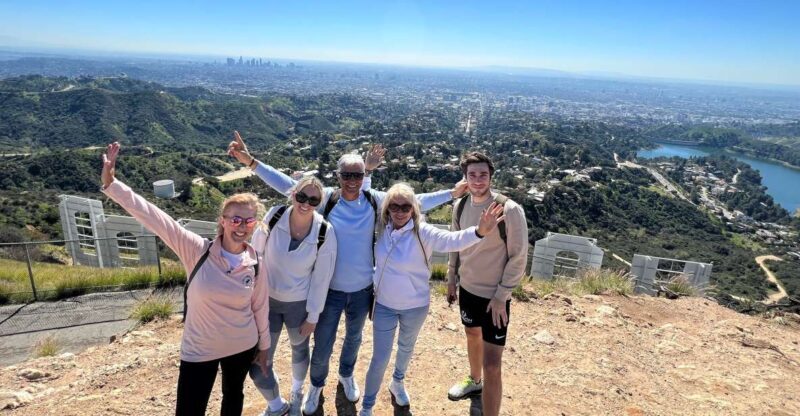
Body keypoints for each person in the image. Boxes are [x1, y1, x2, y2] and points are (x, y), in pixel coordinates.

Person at [227, 131, 467, 415]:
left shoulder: (374, 201)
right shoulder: (326, 198)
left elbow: (413, 201)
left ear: (363, 176)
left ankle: (346, 375)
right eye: (347, 175)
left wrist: (450, 194)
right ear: (338, 176)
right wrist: (252, 162)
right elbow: (290, 187)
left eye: (357, 175)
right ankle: (316, 385)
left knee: (354, 339)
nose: (352, 181)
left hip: (363, 289)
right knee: (323, 342)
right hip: (328, 289)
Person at [99, 142, 270, 416]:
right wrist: (112, 184)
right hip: (199, 348)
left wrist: (264, 347)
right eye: (236, 219)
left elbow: (260, 307)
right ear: (223, 221)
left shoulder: (257, 262)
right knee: (190, 408)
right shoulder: (196, 250)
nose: (242, 227)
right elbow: (156, 218)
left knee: (233, 397)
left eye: (249, 222)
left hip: (241, 344)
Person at [358, 183, 503, 416]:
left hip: (415, 306)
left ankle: (398, 382)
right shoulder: (381, 227)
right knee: (379, 358)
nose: (399, 211)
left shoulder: (422, 231)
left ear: (414, 210)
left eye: (406, 206)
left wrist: (479, 232)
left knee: (406, 347)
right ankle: (368, 405)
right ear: (387, 208)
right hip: (384, 304)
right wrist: (368, 171)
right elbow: (366, 193)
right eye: (394, 206)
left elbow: (451, 240)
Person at [446, 152, 528, 416]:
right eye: (472, 175)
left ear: (491, 176)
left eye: (483, 174)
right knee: (471, 334)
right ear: (465, 178)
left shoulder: (510, 209)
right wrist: (451, 279)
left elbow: (518, 256)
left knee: (493, 364)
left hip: (495, 298)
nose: (478, 180)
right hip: (468, 289)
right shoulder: (459, 207)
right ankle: (474, 382)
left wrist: (501, 295)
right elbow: (455, 245)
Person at [248, 176, 338, 416]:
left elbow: (322, 278)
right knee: (259, 361)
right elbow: (255, 256)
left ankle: (297, 393)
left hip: (299, 304)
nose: (306, 203)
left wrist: (313, 316)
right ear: (293, 194)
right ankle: (276, 404)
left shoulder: (323, 231)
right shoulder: (275, 216)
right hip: (266, 301)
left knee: (300, 350)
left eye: (313, 199)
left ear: (319, 203)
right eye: (301, 197)